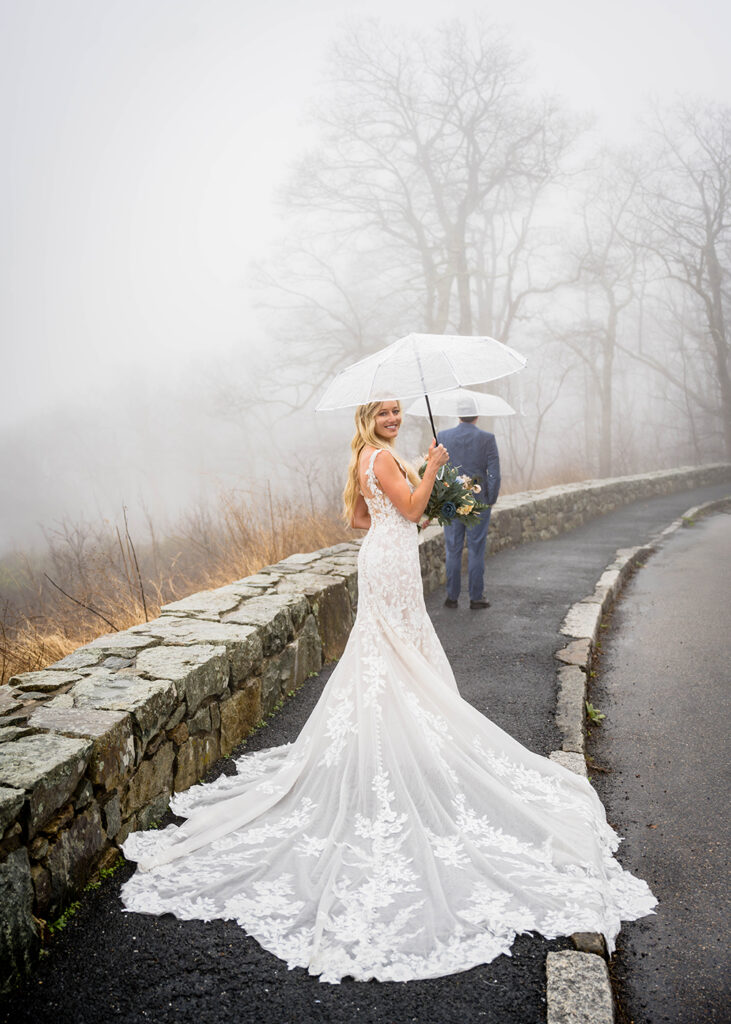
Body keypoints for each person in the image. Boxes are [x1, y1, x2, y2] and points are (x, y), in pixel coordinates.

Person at [120, 398, 656, 984]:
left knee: (395, 650)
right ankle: (395, 747)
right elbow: (410, 505)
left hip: (387, 554)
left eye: (399, 410)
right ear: (368, 418)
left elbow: (363, 520)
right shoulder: (378, 458)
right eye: (385, 412)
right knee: (393, 650)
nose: (394, 418)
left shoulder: (368, 458)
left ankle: (403, 737)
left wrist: (415, 500)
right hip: (389, 565)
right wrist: (431, 469)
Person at [437, 398, 500, 610]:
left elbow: (439, 472)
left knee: (452, 549)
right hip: (478, 502)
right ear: (477, 415)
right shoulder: (487, 439)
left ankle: (451, 597)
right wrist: (490, 499)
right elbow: (494, 474)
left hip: (451, 503)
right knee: (475, 549)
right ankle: (476, 597)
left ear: (459, 415)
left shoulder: (443, 437)